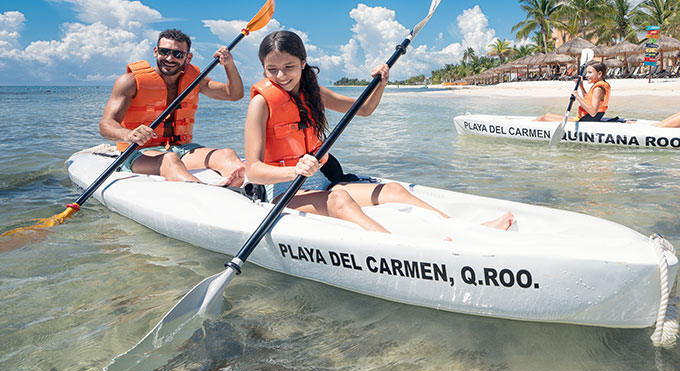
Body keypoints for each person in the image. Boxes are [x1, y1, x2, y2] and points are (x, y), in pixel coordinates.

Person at [244, 30, 514, 233]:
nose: (281, 76)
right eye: (272, 70)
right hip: (283, 193)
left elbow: (363, 109)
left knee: (394, 189)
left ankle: (466, 231)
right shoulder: (261, 103)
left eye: (289, 67)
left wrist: (381, 82)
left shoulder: (313, 94)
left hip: (319, 183)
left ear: (303, 63)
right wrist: (295, 171)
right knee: (339, 198)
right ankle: (399, 246)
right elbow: (254, 170)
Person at [99, 29, 246, 186]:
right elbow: (105, 125)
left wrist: (229, 65)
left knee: (226, 155)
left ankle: (247, 188)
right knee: (169, 160)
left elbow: (234, 94)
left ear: (188, 57)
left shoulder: (195, 81)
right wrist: (128, 134)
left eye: (178, 54)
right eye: (164, 52)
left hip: (181, 150)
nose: (169, 58)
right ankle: (207, 193)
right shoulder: (130, 82)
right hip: (138, 153)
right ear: (156, 52)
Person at [536, 60, 610, 122]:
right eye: (586, 72)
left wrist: (577, 97)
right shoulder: (599, 86)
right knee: (548, 115)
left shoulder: (598, 89)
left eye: (590, 72)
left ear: (599, 74)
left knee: (543, 118)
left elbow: (593, 112)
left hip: (586, 119)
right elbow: (588, 100)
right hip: (586, 117)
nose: (586, 75)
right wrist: (581, 86)